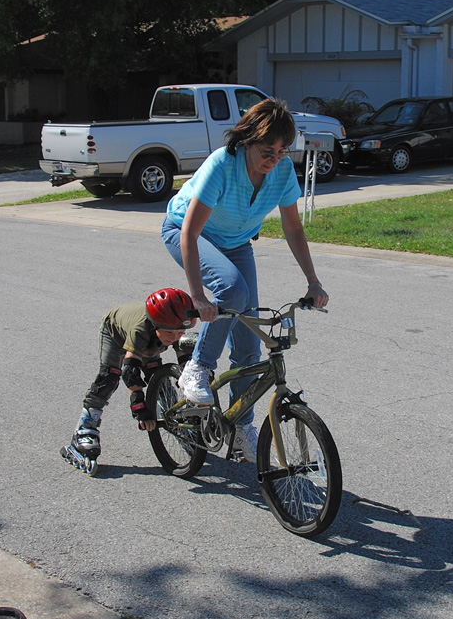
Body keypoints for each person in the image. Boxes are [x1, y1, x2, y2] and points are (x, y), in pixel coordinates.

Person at [161, 97, 330, 463]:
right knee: (232, 290)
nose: (273, 159)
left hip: (235, 243)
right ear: (247, 139)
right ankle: (197, 370)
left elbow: (293, 228)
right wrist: (197, 297)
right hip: (187, 232)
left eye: (282, 151)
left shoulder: (281, 172)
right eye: (267, 150)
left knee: (250, 344)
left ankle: (240, 429)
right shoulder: (223, 164)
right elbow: (189, 232)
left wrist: (313, 282)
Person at [62, 287, 197, 472]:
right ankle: (85, 429)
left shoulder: (171, 329)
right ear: (156, 324)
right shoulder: (140, 329)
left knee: (158, 378)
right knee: (108, 378)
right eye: (170, 334)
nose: (175, 338)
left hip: (151, 340)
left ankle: (177, 422)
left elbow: (185, 364)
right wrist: (140, 408)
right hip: (116, 333)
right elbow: (130, 372)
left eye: (180, 332)